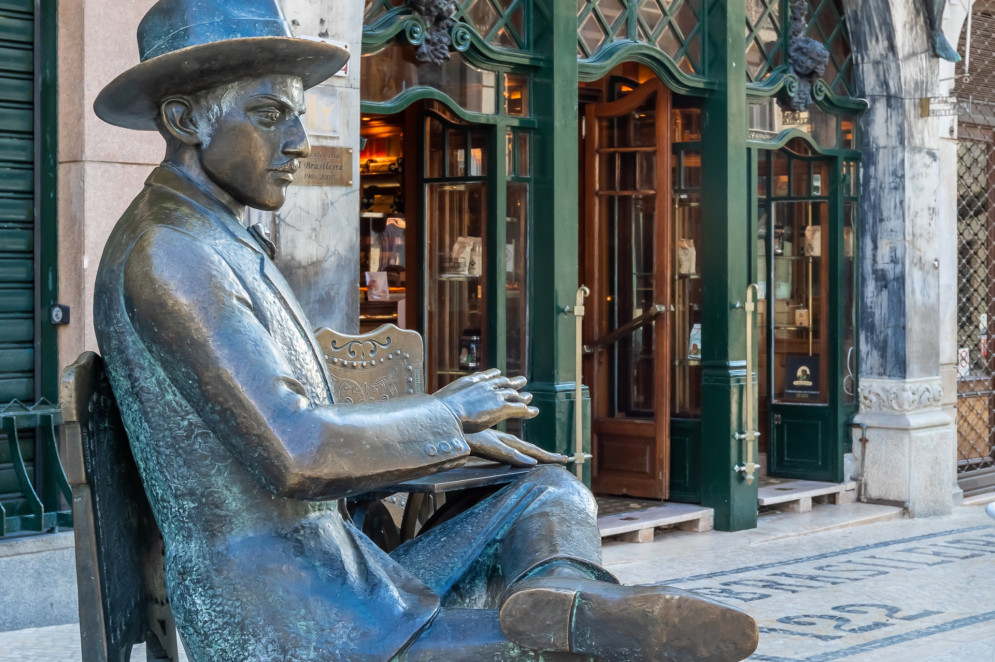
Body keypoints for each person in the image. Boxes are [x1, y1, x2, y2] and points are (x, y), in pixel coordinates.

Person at [91, 1, 758, 661]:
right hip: (291, 618)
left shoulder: (213, 234)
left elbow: (292, 429)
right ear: (182, 120)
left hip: (349, 581)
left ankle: (558, 599)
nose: (298, 141)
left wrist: (453, 439)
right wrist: (445, 415)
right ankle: (566, 627)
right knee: (579, 657)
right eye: (269, 117)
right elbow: (298, 451)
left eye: (297, 116)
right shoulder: (172, 252)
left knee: (547, 490)